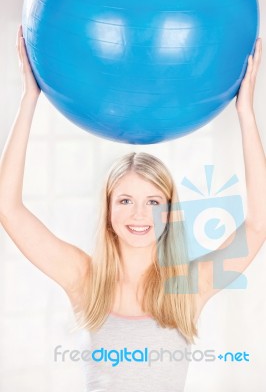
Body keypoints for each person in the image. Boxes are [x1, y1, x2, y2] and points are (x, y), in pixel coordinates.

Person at [0, 25, 265, 391]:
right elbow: (8, 209)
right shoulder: (85, 279)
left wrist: (246, 115)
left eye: (153, 202)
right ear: (109, 211)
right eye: (125, 200)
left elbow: (257, 227)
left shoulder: (187, 287)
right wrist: (29, 98)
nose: (140, 215)